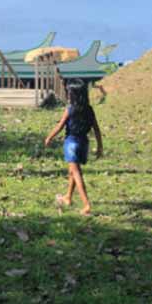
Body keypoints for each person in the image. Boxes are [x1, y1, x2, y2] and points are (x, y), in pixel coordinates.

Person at [44, 80, 103, 216]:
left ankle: (86, 203)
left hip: (71, 143)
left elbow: (60, 126)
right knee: (72, 171)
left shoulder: (70, 109)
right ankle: (68, 197)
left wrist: (49, 137)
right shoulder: (89, 110)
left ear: (72, 95)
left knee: (76, 173)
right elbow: (97, 130)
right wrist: (100, 147)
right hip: (84, 143)